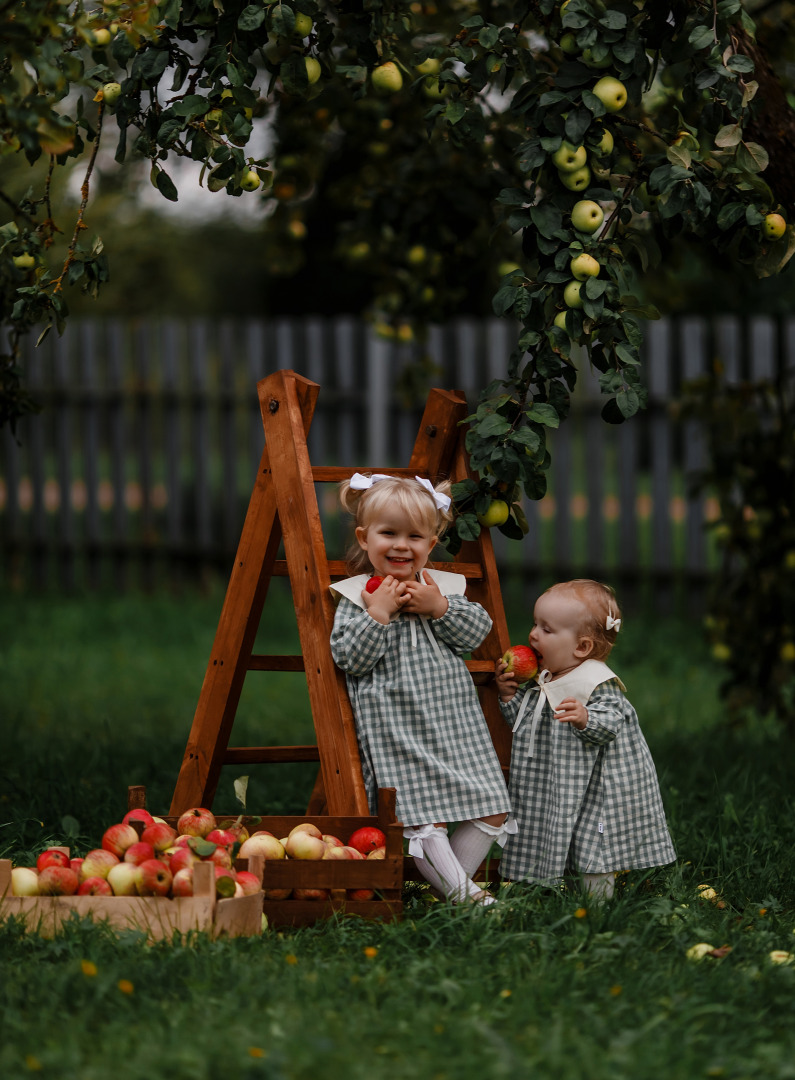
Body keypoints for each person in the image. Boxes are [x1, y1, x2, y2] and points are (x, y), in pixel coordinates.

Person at [330, 472, 516, 906]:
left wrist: (441, 608)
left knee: (493, 804)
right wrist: (378, 615)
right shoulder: (357, 598)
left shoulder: (440, 589)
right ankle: (467, 900)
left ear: (431, 545)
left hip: (455, 727)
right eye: (388, 533)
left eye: (415, 536)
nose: (401, 545)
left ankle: (444, 890)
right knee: (421, 819)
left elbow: (477, 633)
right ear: (364, 537)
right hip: (397, 730)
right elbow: (350, 659)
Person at [495, 579, 675, 899]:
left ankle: (597, 905)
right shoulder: (544, 679)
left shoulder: (595, 683)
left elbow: (610, 725)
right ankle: (538, 891)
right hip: (555, 782)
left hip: (598, 785)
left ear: (581, 647)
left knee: (594, 839)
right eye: (535, 624)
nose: (533, 634)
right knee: (548, 829)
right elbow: (525, 723)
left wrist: (585, 718)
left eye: (546, 629)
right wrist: (510, 697)